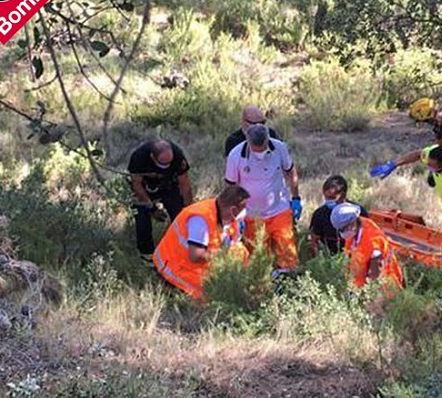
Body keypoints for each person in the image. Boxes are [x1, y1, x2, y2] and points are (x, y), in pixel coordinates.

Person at [369, 144, 442, 299]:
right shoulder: (436, 155)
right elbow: (418, 154)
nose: (428, 167)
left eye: (432, 167)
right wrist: (394, 164)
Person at [225, 124, 301, 275]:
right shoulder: (235, 155)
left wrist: (296, 198)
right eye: (256, 149)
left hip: (280, 210)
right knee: (258, 261)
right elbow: (230, 187)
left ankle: (288, 284)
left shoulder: (279, 148)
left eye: (263, 147)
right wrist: (234, 216)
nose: (260, 152)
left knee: (288, 257)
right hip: (251, 215)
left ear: (267, 139)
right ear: (248, 141)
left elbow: (291, 172)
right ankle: (266, 288)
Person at [153, 185, 250, 300]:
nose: (246, 211)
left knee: (240, 251)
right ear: (233, 210)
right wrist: (222, 256)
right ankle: (170, 286)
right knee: (213, 291)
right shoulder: (200, 220)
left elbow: (232, 238)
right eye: (244, 207)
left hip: (205, 257)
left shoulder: (225, 213)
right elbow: (196, 255)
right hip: (178, 265)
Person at [127, 139, 194, 260]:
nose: (165, 167)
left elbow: (184, 183)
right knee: (141, 214)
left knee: (180, 213)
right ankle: (147, 254)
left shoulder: (177, 155)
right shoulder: (139, 157)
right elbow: (136, 184)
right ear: (153, 157)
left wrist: (189, 210)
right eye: (162, 164)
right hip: (145, 188)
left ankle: (182, 247)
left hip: (168, 185)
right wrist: (151, 207)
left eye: (169, 163)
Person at [330, 203, 404, 291]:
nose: (340, 233)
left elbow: (374, 278)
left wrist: (366, 297)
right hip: (358, 286)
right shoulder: (359, 225)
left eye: (342, 229)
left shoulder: (373, 243)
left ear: (351, 224)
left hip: (384, 289)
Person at [309, 175, 369, 257]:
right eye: (326, 197)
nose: (328, 201)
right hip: (331, 259)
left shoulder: (358, 212)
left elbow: (368, 238)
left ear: (343, 196)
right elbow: (314, 241)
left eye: (332, 198)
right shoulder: (319, 215)